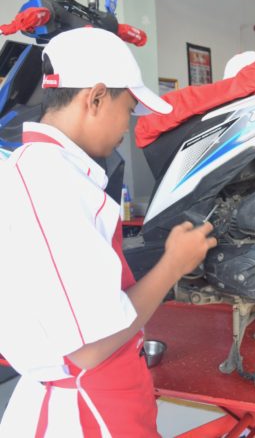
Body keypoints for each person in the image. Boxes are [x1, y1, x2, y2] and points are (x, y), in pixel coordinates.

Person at [0, 27, 217, 437]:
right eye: (128, 108)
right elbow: (89, 348)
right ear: (96, 97)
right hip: (83, 416)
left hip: (104, 398)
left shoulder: (59, 175)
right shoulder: (46, 181)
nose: (127, 126)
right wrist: (173, 265)